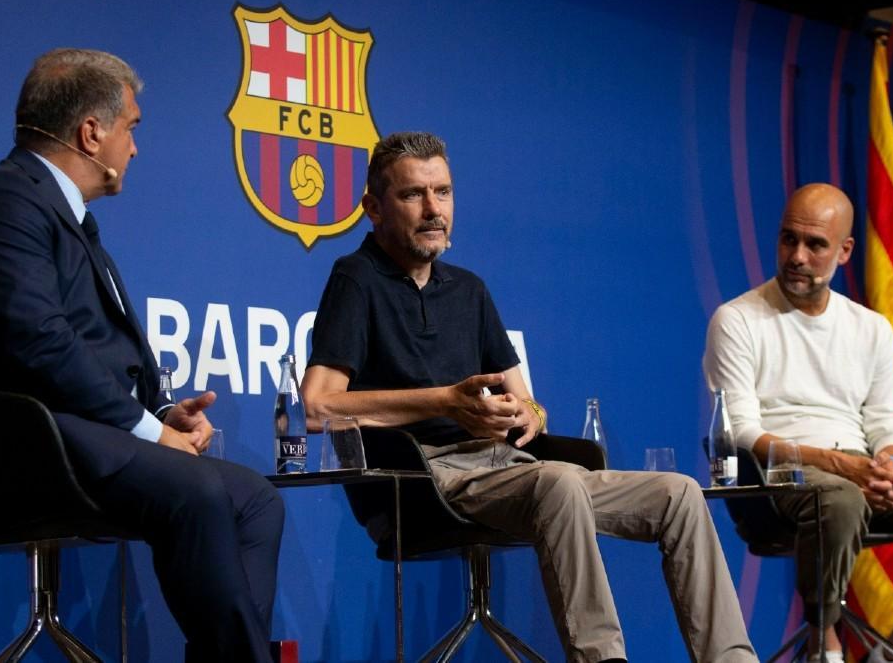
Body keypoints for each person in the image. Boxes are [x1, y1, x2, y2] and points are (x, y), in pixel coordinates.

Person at [301, 131, 757, 663]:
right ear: (373, 209)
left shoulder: (468, 289)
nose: (433, 210)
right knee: (559, 480)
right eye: (413, 195)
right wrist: (447, 401)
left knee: (679, 494)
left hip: (509, 465)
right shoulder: (356, 279)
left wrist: (523, 412)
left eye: (443, 192)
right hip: (429, 478)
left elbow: (530, 406)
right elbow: (317, 405)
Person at [0, 48, 283, 661]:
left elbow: (102, 347)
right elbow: (41, 345)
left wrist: (162, 417)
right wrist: (148, 433)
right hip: (4, 447)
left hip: (69, 434)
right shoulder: (2, 203)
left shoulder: (65, 217)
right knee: (198, 490)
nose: (135, 147)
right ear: (91, 132)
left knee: (255, 498)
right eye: (131, 128)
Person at [702, 183, 893, 663]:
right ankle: (827, 643)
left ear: (843, 251)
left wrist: (886, 465)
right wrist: (845, 467)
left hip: (860, 468)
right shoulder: (736, 319)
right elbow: (740, 431)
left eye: (815, 244)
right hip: (782, 471)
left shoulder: (870, 328)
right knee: (838, 496)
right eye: (787, 239)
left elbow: (889, 421)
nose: (797, 255)